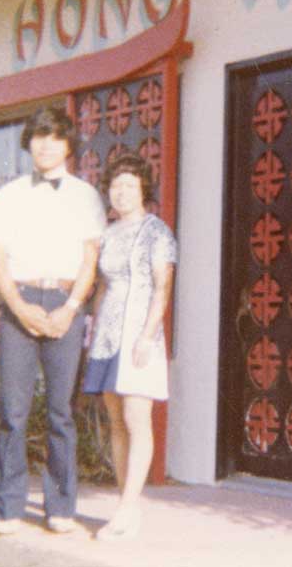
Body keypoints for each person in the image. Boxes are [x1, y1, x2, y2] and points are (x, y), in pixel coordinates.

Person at [0, 106, 106, 535]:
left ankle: (60, 506)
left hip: (65, 302)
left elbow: (90, 260)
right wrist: (18, 306)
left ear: (68, 145)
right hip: (21, 300)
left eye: (55, 137)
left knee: (61, 412)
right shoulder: (9, 194)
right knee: (14, 412)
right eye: (38, 136)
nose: (46, 145)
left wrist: (70, 309)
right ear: (29, 143)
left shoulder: (85, 195)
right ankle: (9, 508)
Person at [82, 153, 176, 540]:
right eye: (115, 186)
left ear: (143, 190)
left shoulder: (157, 231)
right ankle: (126, 505)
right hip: (107, 332)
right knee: (116, 420)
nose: (120, 193)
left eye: (129, 186)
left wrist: (148, 334)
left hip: (140, 332)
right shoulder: (106, 234)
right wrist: (92, 328)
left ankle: (127, 507)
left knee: (138, 418)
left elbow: (163, 286)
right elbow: (102, 285)